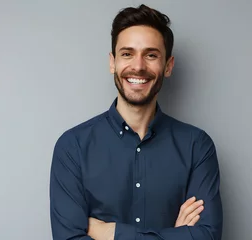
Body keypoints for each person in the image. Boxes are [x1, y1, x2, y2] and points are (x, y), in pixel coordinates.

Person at [49, 4, 223, 240]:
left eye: (151, 55)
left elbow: (206, 237)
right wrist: (176, 235)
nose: (138, 66)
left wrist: (112, 233)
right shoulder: (73, 147)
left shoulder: (197, 146)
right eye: (127, 54)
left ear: (168, 66)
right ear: (113, 62)